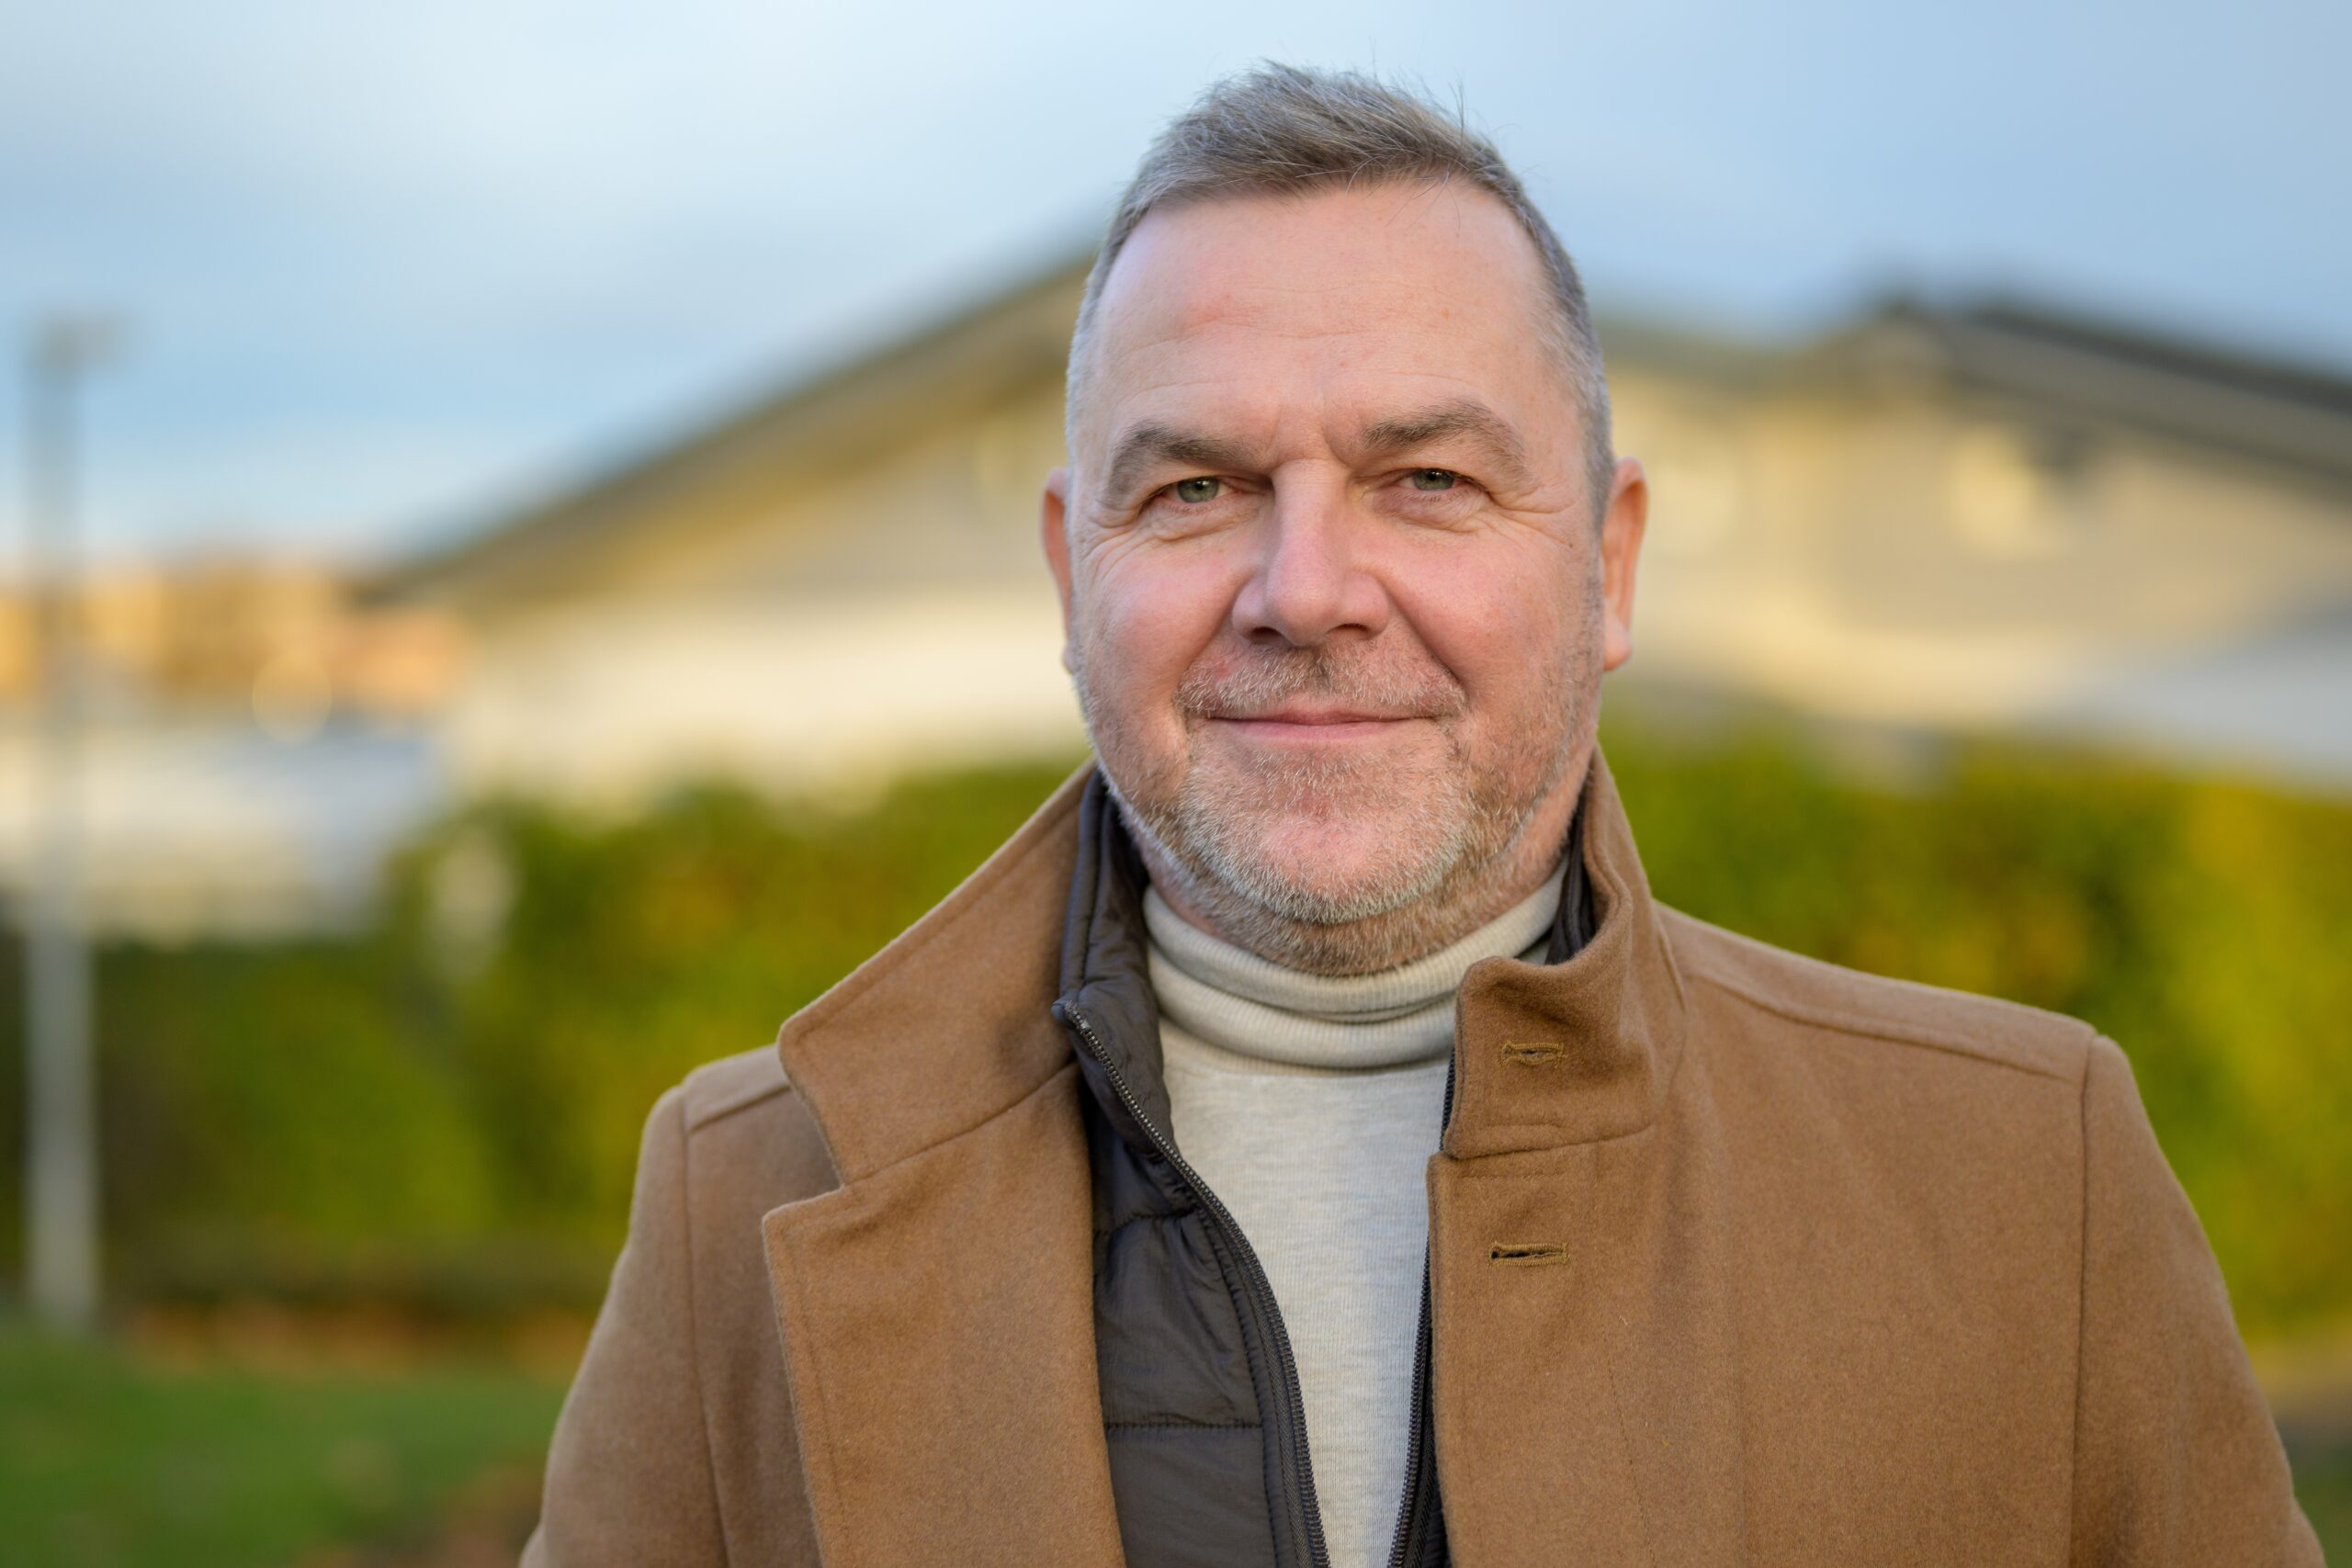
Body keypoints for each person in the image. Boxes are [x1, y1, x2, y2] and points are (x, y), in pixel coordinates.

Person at [523, 63, 2318, 1567]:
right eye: (1199, 485)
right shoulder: (736, 1194)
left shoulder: (2024, 1176)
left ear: (1605, 565)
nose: (1305, 588)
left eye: (1427, 478)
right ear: (1074, 574)